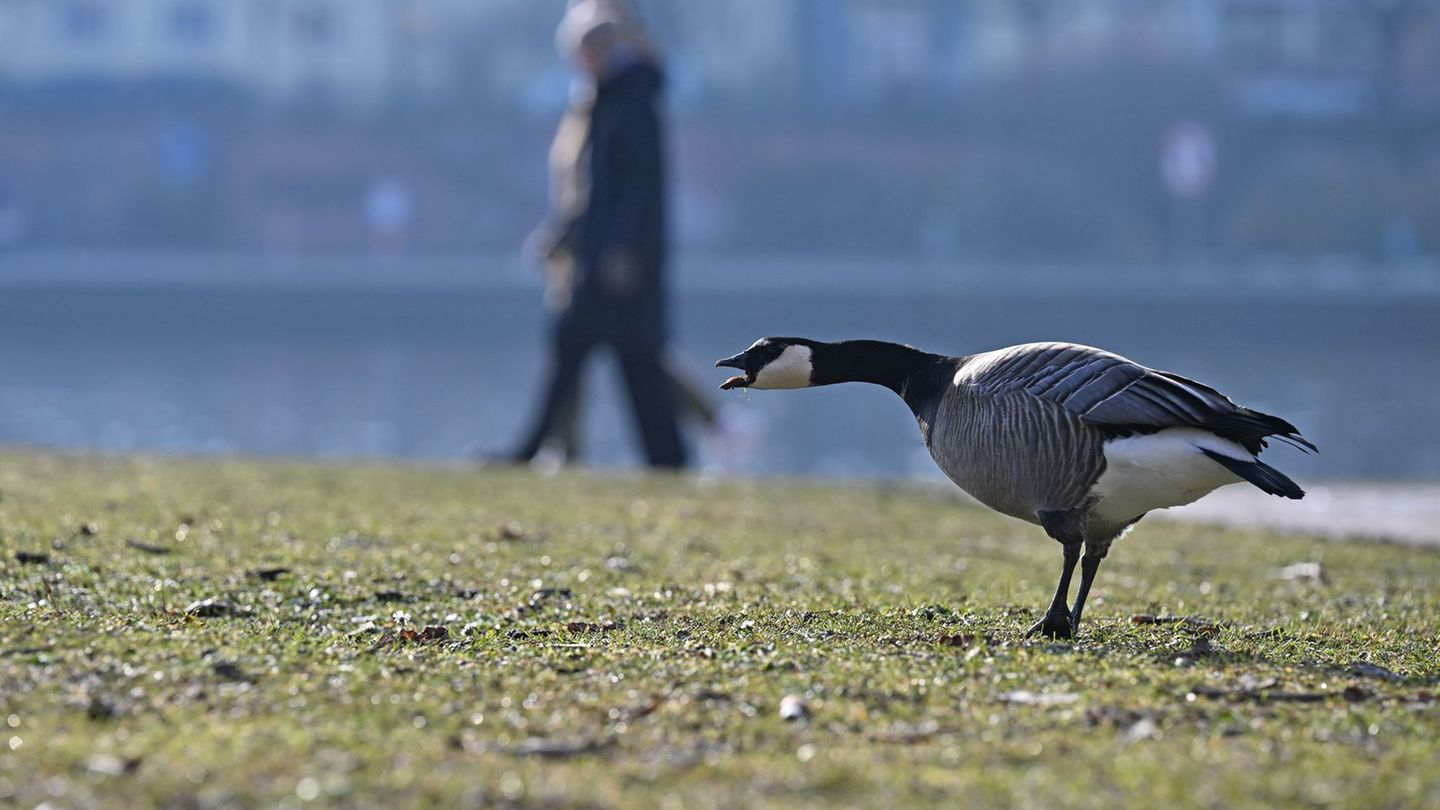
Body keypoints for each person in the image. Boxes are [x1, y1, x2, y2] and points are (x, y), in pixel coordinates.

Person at [497, 2, 687, 469]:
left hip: (618, 260)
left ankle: (532, 452)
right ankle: (669, 461)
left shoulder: (630, 98)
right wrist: (563, 235)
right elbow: (594, 188)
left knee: (583, 349)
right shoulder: (614, 96)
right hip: (608, 255)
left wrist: (620, 248)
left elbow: (635, 184)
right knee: (633, 363)